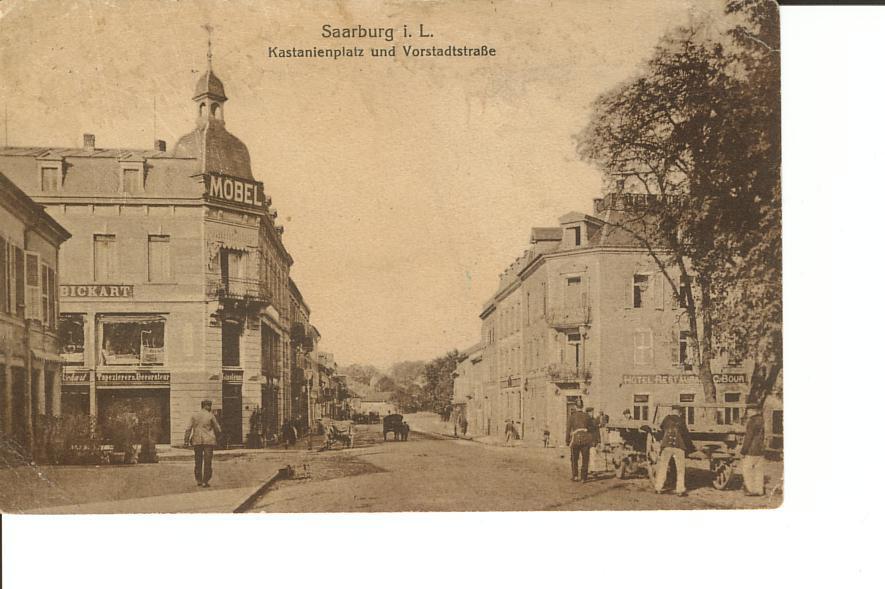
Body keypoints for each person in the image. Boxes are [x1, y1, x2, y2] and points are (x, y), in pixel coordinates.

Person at [654, 405, 695, 496]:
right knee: (680, 469)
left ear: (672, 411)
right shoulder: (681, 421)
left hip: (666, 447)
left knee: (663, 467)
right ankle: (680, 490)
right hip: (679, 447)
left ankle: (658, 488)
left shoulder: (666, 419)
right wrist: (691, 448)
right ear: (679, 412)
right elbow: (686, 436)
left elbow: (660, 431)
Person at [184, 400, 222, 488]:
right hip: (209, 441)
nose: (210, 407)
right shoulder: (210, 415)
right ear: (206, 406)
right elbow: (218, 429)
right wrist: (218, 438)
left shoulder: (194, 415)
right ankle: (206, 481)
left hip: (197, 441)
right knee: (208, 461)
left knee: (198, 461)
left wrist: (186, 440)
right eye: (209, 406)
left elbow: (188, 428)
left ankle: (199, 480)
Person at [740, 406, 766, 496]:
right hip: (761, 450)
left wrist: (743, 451)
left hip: (751, 450)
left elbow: (748, 437)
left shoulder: (752, 421)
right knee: (759, 471)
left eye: (749, 411)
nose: (748, 413)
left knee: (747, 470)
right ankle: (759, 490)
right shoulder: (762, 420)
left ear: (753, 411)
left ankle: (751, 490)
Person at [567, 407, 596, 482]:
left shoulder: (572, 416)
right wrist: (587, 430)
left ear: (576, 407)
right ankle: (584, 477)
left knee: (574, 459)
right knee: (585, 459)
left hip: (575, 439)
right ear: (582, 407)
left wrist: (567, 440)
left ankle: (575, 476)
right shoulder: (587, 416)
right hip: (585, 440)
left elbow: (568, 429)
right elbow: (593, 428)